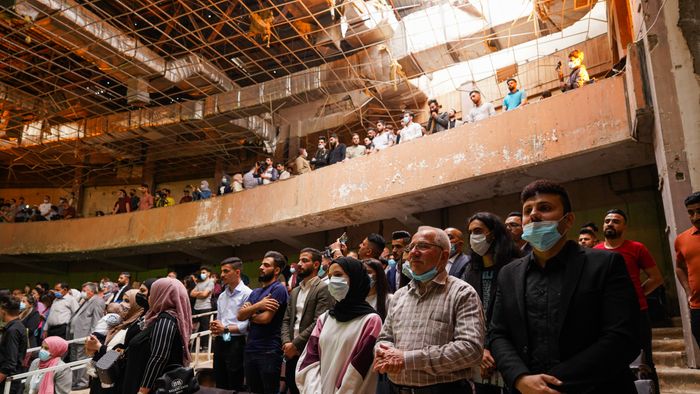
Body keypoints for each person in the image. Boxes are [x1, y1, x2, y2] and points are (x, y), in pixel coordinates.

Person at [489, 180, 640, 393]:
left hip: (595, 387)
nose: (533, 215)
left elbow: (624, 337)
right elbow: (498, 333)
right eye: (527, 210)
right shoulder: (508, 273)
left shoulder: (605, 264)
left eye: (545, 208)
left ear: (568, 220)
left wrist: (550, 384)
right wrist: (520, 378)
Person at [374, 226, 484, 393]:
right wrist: (383, 352)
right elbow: (384, 337)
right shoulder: (399, 296)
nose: (413, 253)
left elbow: (470, 350)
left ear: (444, 256)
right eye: (411, 247)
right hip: (395, 389)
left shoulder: (462, 293)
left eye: (423, 246)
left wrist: (406, 359)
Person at [594, 208, 663, 390]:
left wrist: (636, 294)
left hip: (636, 313)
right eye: (607, 220)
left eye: (616, 221)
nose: (610, 223)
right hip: (607, 317)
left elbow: (656, 278)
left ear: (624, 226)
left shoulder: (637, 248)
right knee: (613, 362)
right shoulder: (596, 251)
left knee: (645, 361)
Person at [295, 257, 382, 393]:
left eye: (338, 275)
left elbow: (358, 371)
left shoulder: (371, 321)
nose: (333, 281)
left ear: (355, 278)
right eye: (330, 276)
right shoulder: (324, 319)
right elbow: (309, 361)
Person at [462, 212, 520, 393]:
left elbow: (513, 316)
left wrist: (491, 348)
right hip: (478, 355)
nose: (473, 237)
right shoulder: (470, 271)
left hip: (509, 353)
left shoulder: (515, 267)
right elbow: (467, 316)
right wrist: (479, 350)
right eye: (470, 232)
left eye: (478, 231)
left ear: (493, 233)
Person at [121, 278, 192, 394]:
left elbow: (159, 356)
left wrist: (143, 390)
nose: (148, 297)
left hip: (147, 385)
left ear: (161, 294)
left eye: (150, 292)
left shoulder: (165, 319)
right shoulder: (153, 318)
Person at [237, 251, 289, 394]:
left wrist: (250, 314)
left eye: (266, 265)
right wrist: (259, 306)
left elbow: (265, 319)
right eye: (261, 264)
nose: (261, 267)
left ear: (276, 270)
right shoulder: (255, 293)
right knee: (253, 390)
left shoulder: (279, 289)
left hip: (269, 350)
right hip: (251, 348)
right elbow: (240, 315)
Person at [282, 248, 333, 394]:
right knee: (292, 385)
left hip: (308, 351)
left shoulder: (324, 288)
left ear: (316, 264)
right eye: (299, 260)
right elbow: (286, 319)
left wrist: (295, 344)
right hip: (290, 350)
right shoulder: (295, 291)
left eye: (304, 261)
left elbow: (319, 322)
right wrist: (286, 343)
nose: (299, 264)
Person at [209, 257, 252, 391]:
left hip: (237, 341)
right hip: (223, 338)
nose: (222, 275)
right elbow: (220, 319)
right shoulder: (222, 295)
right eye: (221, 271)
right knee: (220, 378)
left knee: (234, 380)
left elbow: (247, 325)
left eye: (226, 271)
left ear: (237, 272)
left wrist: (225, 328)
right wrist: (216, 326)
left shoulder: (248, 293)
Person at [68, 282, 105, 390]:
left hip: (84, 337)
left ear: (92, 291)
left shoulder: (98, 301)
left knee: (82, 361)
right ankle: (75, 381)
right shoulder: (86, 300)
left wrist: (92, 338)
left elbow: (96, 321)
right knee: (74, 360)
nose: (82, 293)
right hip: (76, 336)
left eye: (84, 290)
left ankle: (82, 383)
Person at [675, 191, 700, 347]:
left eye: (699, 211)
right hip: (698, 307)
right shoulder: (681, 239)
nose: (696, 217)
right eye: (691, 213)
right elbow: (679, 267)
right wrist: (688, 292)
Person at [0, 295, 28, 394]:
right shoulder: (18, 326)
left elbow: (10, 363)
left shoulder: (13, 330)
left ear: (3, 310)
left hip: (8, 382)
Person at [191, 266, 215, 337]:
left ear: (208, 273)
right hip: (196, 308)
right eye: (201, 273)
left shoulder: (210, 282)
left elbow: (205, 294)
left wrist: (198, 293)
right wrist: (201, 293)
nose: (202, 274)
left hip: (205, 308)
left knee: (205, 329)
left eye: (204, 272)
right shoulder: (199, 283)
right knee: (195, 329)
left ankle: (205, 346)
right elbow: (191, 293)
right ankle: (196, 346)